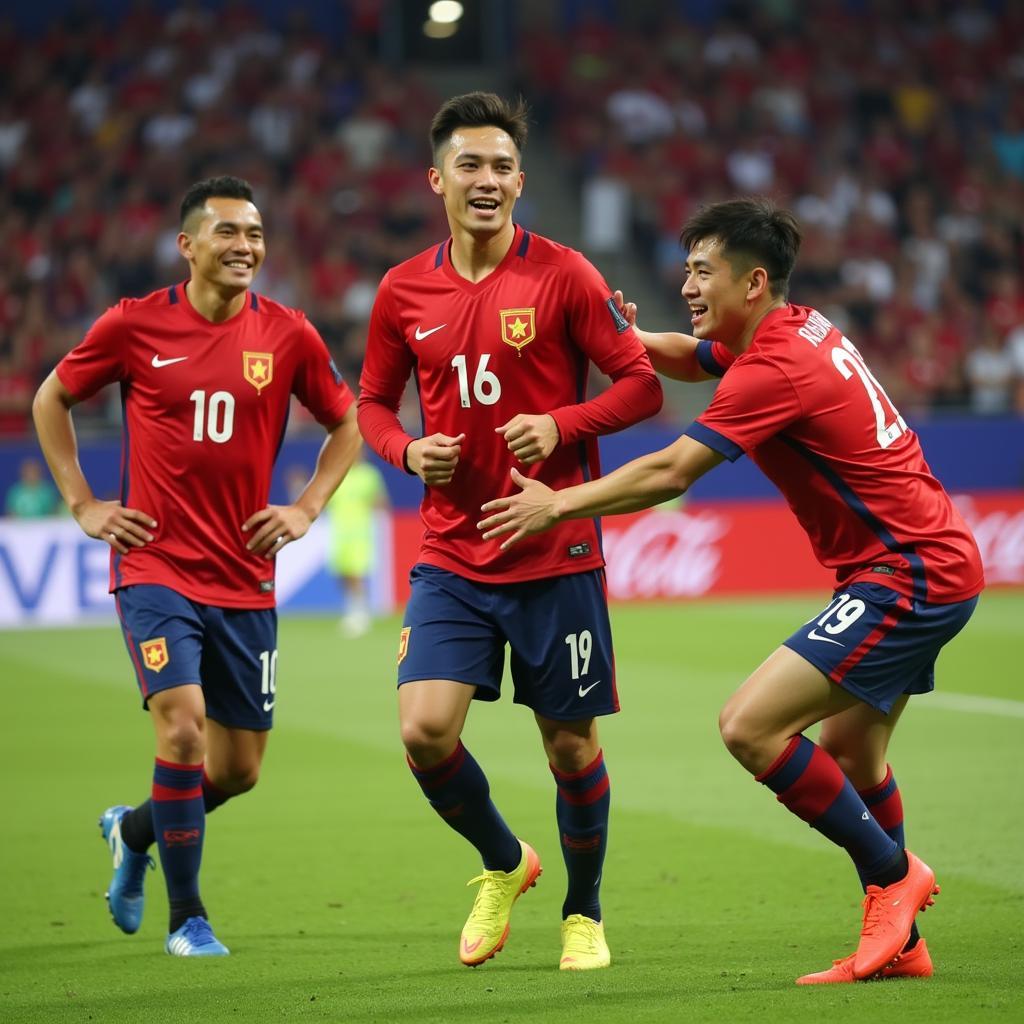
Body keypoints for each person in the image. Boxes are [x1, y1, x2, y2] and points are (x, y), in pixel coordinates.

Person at [478, 197, 984, 985]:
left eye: (701, 271)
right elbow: (687, 356)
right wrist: (626, 337)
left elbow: (672, 471)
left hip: (909, 573)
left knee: (750, 726)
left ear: (752, 283)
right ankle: (903, 942)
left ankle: (894, 877)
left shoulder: (775, 366)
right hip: (922, 559)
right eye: (685, 269)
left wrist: (558, 503)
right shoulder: (791, 326)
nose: (686, 283)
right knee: (852, 751)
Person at [357, 92, 663, 971]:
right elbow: (372, 404)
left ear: (521, 182)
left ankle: (584, 914)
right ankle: (503, 860)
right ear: (437, 179)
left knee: (570, 744)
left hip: (555, 553)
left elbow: (640, 384)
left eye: (499, 167)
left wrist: (565, 427)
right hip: (452, 553)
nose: (485, 181)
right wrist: (409, 451)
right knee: (424, 730)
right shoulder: (402, 289)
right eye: (469, 166)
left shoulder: (565, 273)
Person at [32, 175, 361, 957]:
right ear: (188, 245)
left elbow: (346, 424)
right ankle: (188, 919)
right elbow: (51, 400)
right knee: (181, 727)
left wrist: (307, 507)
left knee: (239, 769)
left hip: (244, 578)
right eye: (227, 233)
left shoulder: (287, 333)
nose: (245, 246)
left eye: (254, 233)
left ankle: (134, 829)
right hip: (154, 568)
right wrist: (82, 503)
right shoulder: (133, 324)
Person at [324, 448, 389, 637]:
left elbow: (380, 501)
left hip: (360, 532)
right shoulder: (339, 474)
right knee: (343, 575)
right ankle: (352, 610)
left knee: (356, 574)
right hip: (339, 532)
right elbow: (327, 501)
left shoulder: (369, 475)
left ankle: (361, 615)